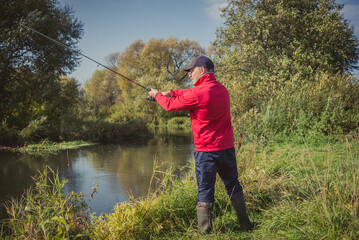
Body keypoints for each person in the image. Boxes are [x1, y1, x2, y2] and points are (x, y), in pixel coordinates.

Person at [148, 56, 253, 233]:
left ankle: (205, 232)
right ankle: (246, 225)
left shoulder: (198, 93)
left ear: (201, 70)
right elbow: (187, 94)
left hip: (207, 152)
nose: (190, 74)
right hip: (226, 148)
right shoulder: (222, 89)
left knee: (205, 191)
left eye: (191, 70)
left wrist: (156, 94)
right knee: (233, 185)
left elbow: (169, 106)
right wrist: (172, 91)